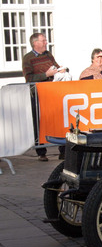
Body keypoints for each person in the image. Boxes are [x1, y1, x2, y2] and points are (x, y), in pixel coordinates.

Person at [22, 32, 67, 161]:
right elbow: (28, 77)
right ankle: (41, 152)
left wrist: (61, 70)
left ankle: (62, 150)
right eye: (43, 40)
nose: (46, 42)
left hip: (52, 93)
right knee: (39, 122)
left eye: (45, 40)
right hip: (38, 94)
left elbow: (56, 67)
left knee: (57, 121)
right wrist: (46, 75)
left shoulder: (48, 55)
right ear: (35, 43)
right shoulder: (28, 58)